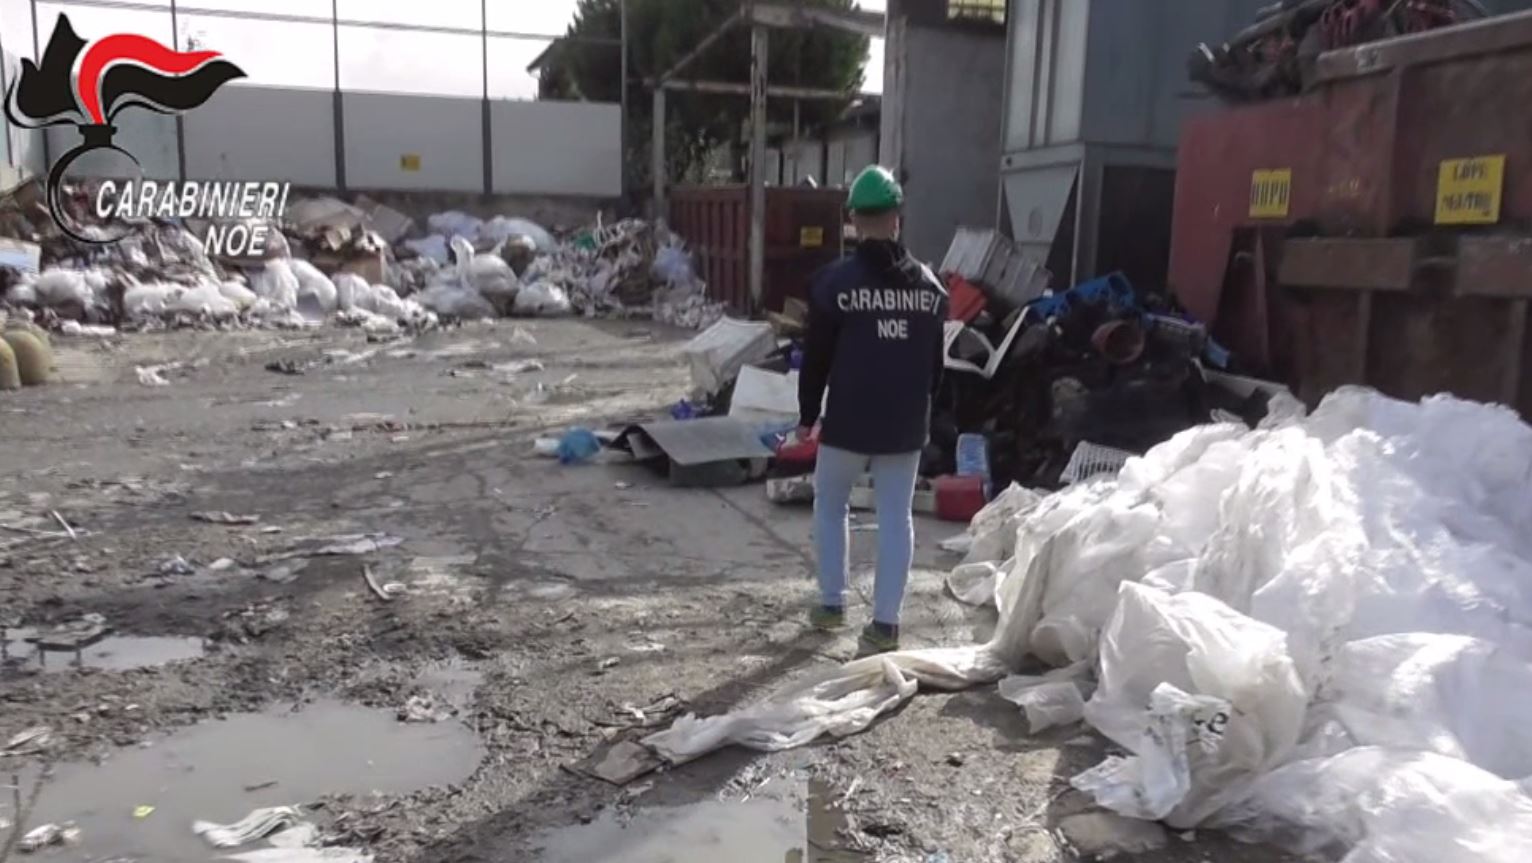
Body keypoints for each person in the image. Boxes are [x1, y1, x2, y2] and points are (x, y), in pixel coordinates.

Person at [797, 165, 948, 654]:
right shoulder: (931, 288)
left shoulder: (831, 285)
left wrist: (806, 416)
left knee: (831, 504)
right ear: (897, 219)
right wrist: (924, 411)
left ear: (855, 221)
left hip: (848, 421)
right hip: (904, 425)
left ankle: (832, 603)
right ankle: (885, 625)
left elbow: (815, 360)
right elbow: (935, 366)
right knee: (896, 517)